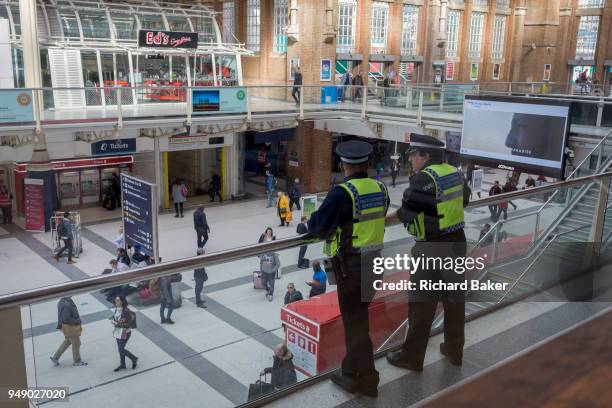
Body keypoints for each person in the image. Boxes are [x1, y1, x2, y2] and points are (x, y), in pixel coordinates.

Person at [308, 140, 390, 397]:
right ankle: (349, 371)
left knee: (356, 326)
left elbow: (318, 227)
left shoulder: (342, 193)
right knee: (359, 320)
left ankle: (368, 379)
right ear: (366, 164)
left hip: (351, 269)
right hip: (375, 263)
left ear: (343, 165)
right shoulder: (380, 188)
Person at [386, 134, 470, 373]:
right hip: (457, 243)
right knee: (454, 302)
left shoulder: (424, 178)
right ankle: (454, 351)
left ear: (425, 156)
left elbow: (407, 212)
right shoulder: (455, 172)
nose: (410, 160)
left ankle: (412, 357)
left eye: (413, 155)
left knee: (421, 305)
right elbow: (464, 200)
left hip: (431, 248)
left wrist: (380, 221)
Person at [50, 297, 87, 367]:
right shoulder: (66, 304)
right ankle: (77, 361)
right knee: (76, 343)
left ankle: (55, 357)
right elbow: (66, 319)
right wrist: (78, 321)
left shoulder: (62, 301)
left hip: (66, 327)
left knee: (68, 341)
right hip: (70, 328)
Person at [110, 295, 138, 372]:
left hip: (125, 332)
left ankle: (134, 358)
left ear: (122, 301)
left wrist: (117, 324)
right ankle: (123, 364)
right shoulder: (117, 309)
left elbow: (128, 324)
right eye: (116, 300)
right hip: (118, 332)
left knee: (121, 349)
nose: (116, 301)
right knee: (120, 349)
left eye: (118, 300)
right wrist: (113, 319)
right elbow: (117, 318)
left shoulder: (126, 311)